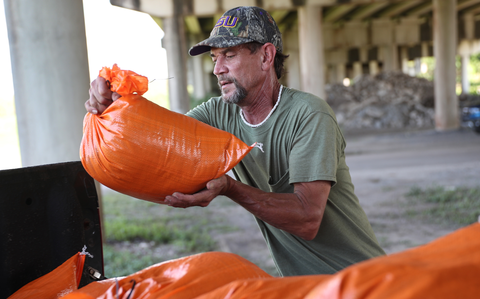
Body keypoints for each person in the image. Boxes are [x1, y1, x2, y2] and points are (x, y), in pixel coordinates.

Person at [85, 6, 385, 276]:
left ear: (266, 56)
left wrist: (231, 188)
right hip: (303, 289)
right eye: (215, 58)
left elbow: (307, 219)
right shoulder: (218, 113)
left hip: (362, 282)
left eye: (229, 55)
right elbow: (160, 140)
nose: (217, 69)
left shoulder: (308, 115)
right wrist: (112, 106)